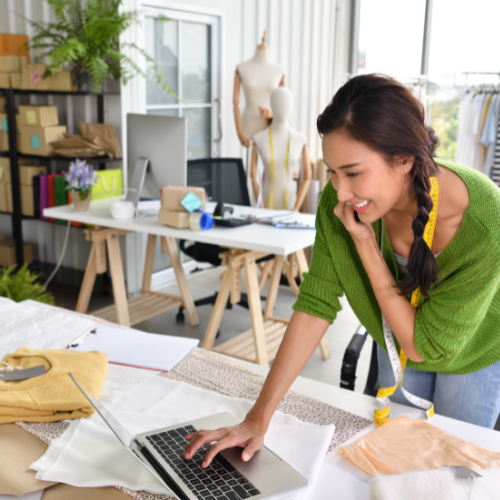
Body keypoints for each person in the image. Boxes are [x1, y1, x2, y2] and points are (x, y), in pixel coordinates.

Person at [183, 74, 500, 468]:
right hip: (398, 341)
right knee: (400, 463)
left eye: (352, 172)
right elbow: (316, 302)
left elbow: (424, 346)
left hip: (473, 354)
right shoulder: (342, 199)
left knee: (458, 473)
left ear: (404, 160)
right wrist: (257, 419)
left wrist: (367, 246)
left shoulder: (485, 221)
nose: (339, 190)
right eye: (331, 171)